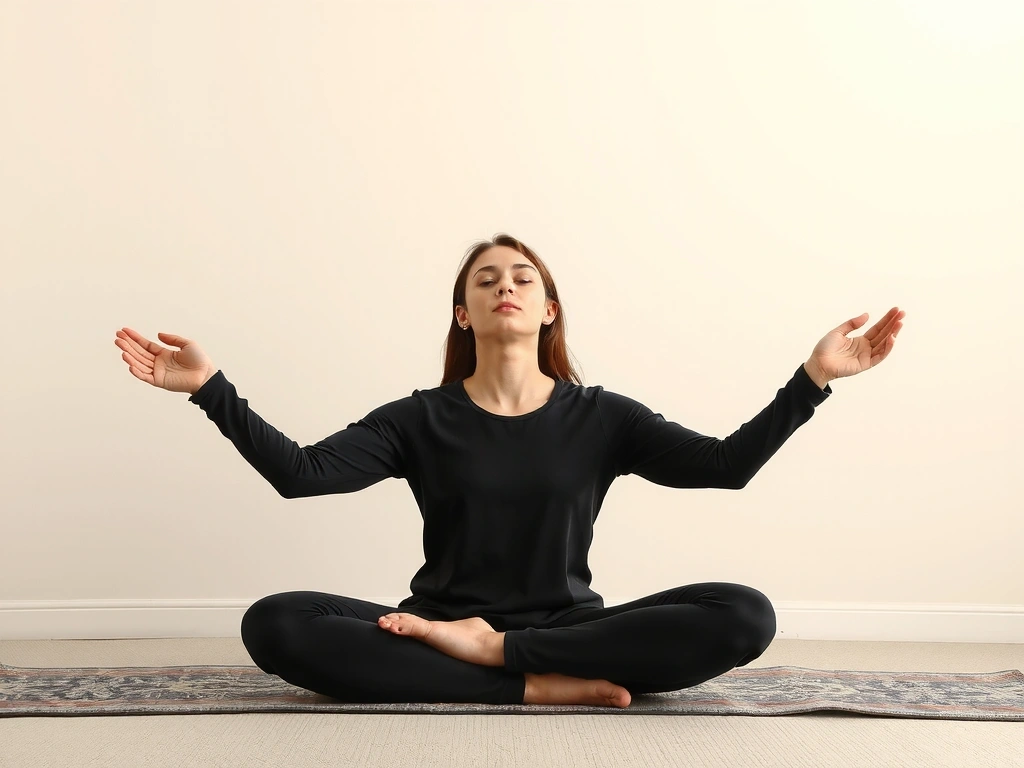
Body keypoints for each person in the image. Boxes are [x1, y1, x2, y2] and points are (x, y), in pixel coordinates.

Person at [113, 233, 905, 708]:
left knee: (743, 614)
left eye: (524, 279)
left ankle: (499, 662)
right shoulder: (418, 417)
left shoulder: (603, 416)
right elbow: (301, 473)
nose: (506, 288)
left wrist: (814, 380)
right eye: (485, 280)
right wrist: (210, 391)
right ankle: (528, 683)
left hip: (568, 627)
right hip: (435, 625)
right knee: (275, 622)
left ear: (550, 309)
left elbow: (727, 467)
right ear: (463, 313)